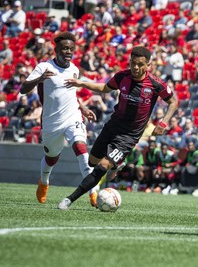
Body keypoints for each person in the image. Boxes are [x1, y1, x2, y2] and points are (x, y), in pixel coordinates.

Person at [58, 46, 178, 209]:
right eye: (133, 63)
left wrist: (163, 123)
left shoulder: (156, 84)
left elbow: (173, 101)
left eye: (140, 64)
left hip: (129, 136)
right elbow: (104, 88)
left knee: (102, 167)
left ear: (148, 65)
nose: (136, 67)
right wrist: (81, 83)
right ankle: (117, 163)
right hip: (112, 126)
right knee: (92, 162)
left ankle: (69, 199)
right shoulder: (122, 76)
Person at [20, 32, 99, 206]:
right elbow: (23, 89)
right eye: (65, 48)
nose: (68, 51)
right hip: (51, 122)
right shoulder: (44, 67)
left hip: (73, 116)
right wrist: (39, 79)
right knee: (51, 159)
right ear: (56, 50)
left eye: (71, 48)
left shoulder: (75, 70)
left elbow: (70, 94)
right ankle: (44, 181)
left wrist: (83, 108)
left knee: (81, 149)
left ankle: (93, 192)